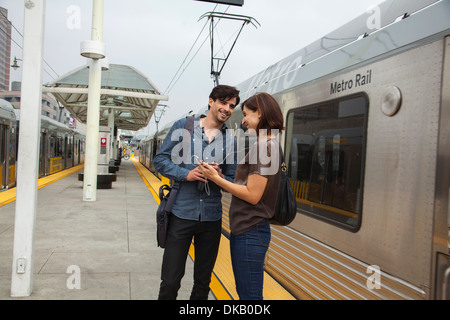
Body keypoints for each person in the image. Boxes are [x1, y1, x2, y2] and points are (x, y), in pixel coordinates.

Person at [154, 85, 239, 300]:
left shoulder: (231, 141)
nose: (227, 109)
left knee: (203, 283)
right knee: (171, 280)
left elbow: (232, 180)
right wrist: (186, 174)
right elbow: (160, 160)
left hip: (211, 218)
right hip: (181, 214)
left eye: (231, 106)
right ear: (211, 101)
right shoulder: (185, 126)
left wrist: (218, 177)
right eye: (223, 102)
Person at [198, 92, 284, 300]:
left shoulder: (266, 147)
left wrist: (216, 180)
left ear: (260, 113)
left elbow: (253, 195)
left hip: (250, 231)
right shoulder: (266, 145)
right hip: (247, 230)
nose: (243, 121)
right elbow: (250, 186)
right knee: (246, 293)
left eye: (246, 114)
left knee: (250, 296)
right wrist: (219, 174)